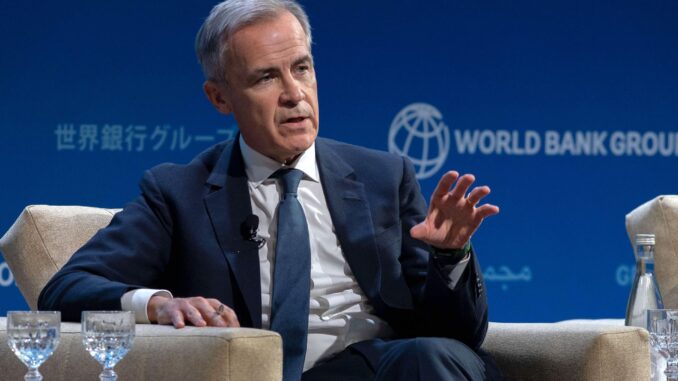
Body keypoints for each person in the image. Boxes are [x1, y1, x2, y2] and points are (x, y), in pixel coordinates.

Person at [38, 1, 502, 380]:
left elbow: (456, 336)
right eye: (266, 77)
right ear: (220, 98)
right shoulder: (178, 193)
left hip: (395, 366)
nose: (294, 93)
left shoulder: (383, 176)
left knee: (431, 358)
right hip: (276, 371)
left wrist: (450, 257)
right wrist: (158, 304)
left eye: (302, 68)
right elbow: (65, 289)